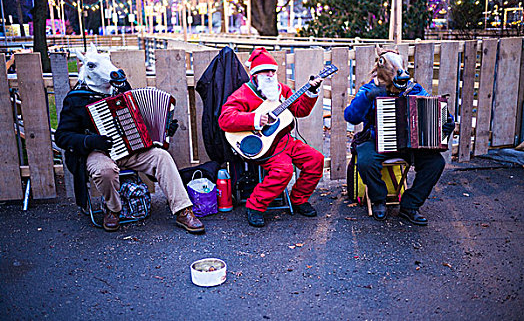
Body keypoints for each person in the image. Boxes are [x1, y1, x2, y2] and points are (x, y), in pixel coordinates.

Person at [55, 45, 204, 233]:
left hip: (130, 148)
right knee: (104, 171)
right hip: (98, 152)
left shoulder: (121, 90)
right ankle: (113, 209)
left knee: (162, 157)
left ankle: (182, 210)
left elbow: (140, 120)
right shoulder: (76, 99)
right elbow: (62, 136)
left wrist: (164, 128)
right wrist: (89, 141)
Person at [344, 47, 455, 225]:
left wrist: (446, 123)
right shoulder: (368, 89)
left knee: (436, 162)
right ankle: (378, 199)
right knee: (365, 160)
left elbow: (433, 110)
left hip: (411, 144)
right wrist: (368, 97)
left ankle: (410, 205)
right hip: (377, 140)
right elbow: (351, 116)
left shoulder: (414, 89)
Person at [218, 47, 324, 227]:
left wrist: (310, 93)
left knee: (316, 159)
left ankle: (298, 199)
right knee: (283, 171)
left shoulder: (281, 90)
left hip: (285, 141)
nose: (270, 74)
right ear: (255, 74)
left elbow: (300, 110)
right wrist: (255, 119)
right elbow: (225, 120)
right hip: (264, 146)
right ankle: (255, 206)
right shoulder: (243, 94)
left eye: (273, 71)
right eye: (265, 71)